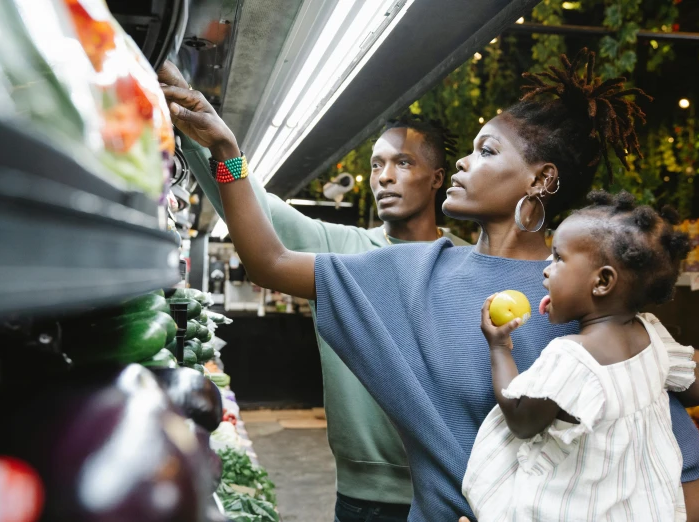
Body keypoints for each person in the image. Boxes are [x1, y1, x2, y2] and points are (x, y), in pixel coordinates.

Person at [161, 49, 699, 521]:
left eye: (486, 151)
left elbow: (698, 496)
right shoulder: (415, 270)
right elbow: (270, 259)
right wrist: (224, 153)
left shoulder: (593, 306)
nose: (459, 163)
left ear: (542, 178)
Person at [158, 62, 469, 522]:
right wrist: (209, 134)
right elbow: (250, 204)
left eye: (403, 163)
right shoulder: (343, 249)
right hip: (362, 499)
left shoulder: (469, 264)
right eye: (377, 164)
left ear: (438, 177)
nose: (384, 176)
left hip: (453, 496)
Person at [464, 191, 699, 521]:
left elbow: (522, 421)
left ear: (603, 282)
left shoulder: (572, 358)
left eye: (559, 258)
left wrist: (499, 348)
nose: (546, 271)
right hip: (640, 507)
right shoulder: (652, 335)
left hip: (570, 508)